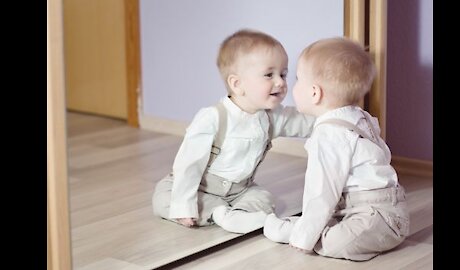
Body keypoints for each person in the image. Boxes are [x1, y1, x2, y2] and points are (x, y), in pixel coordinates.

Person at [152, 29, 315, 234]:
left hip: (240, 190)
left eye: (283, 74)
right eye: (269, 75)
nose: (281, 82)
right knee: (163, 198)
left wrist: (336, 116)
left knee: (264, 198)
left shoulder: (273, 116)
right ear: (237, 84)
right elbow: (189, 165)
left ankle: (235, 215)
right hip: (200, 187)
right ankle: (219, 213)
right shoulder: (213, 117)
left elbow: (305, 122)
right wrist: (184, 204)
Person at [263, 37, 409, 261]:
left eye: (298, 79)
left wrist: (303, 240)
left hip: (373, 217)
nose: (291, 85)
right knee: (330, 221)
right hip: (394, 211)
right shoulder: (359, 117)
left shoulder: (329, 134)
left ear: (315, 93)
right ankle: (310, 225)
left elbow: (321, 193)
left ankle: (295, 229)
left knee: (332, 242)